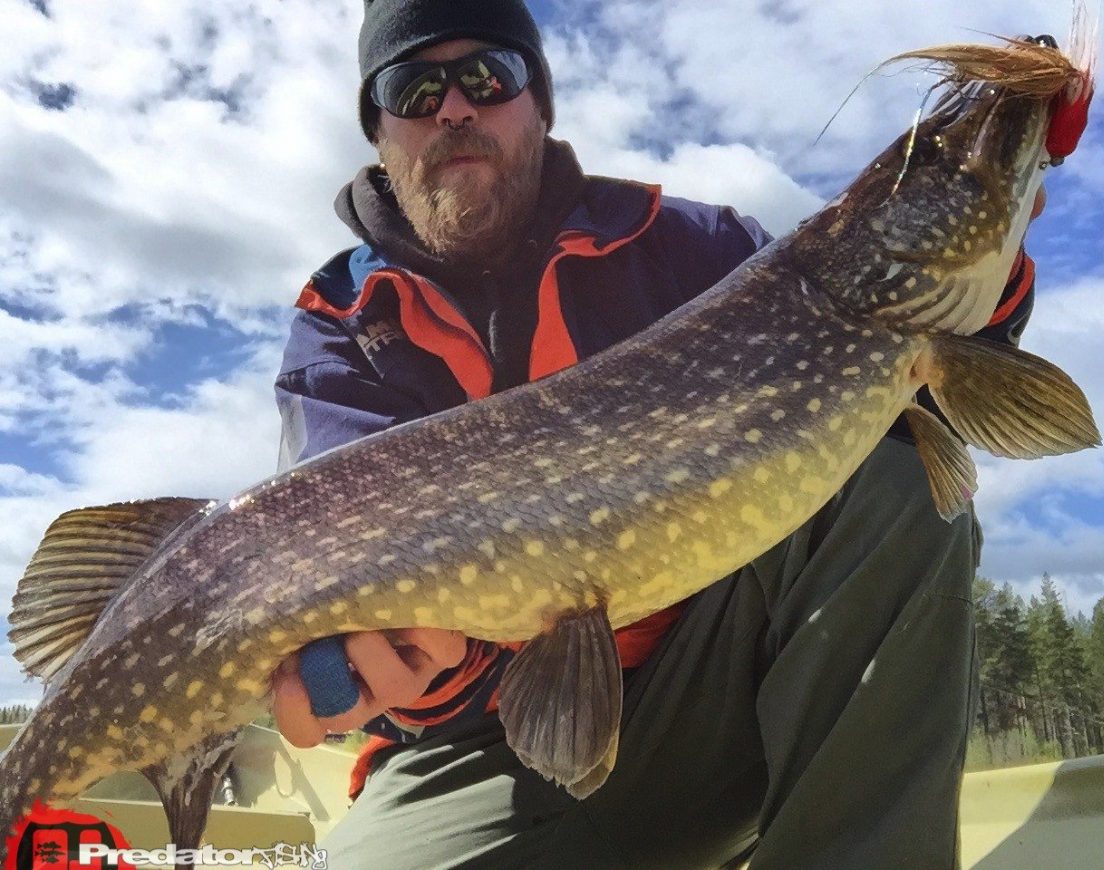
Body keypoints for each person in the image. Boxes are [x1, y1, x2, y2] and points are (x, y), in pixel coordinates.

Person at [270, 1, 1040, 866]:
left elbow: (910, 418)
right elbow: (344, 617)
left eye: (489, 76)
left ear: (538, 103)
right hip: (476, 753)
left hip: (726, 695)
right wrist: (409, 666)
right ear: (379, 130)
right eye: (413, 87)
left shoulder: (699, 248)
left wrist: (982, 281)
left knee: (898, 483)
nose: (454, 108)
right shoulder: (340, 324)